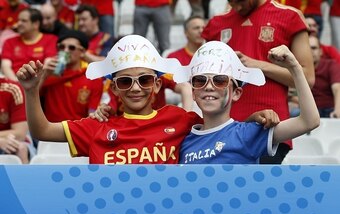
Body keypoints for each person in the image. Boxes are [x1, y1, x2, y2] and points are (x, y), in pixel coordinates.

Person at [16, 35, 277, 164]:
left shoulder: (181, 120)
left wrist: (252, 120)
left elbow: (220, 128)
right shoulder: (96, 127)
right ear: (115, 88)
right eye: (125, 82)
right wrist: (30, 90)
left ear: (157, 84)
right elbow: (42, 130)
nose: (135, 88)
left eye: (144, 80)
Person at [201, 0, 315, 164]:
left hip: (270, 127)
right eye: (231, 2)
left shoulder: (289, 16)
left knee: (258, 186)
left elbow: (307, 78)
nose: (236, 6)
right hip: (223, 129)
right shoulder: (216, 23)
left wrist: (257, 65)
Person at [176, 41, 320, 164]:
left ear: (237, 93)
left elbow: (309, 122)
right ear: (193, 92)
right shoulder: (182, 140)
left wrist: (294, 67)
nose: (208, 86)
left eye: (219, 81)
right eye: (200, 80)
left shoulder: (248, 133)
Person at [40, 29, 103, 122]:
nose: (65, 51)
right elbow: (31, 96)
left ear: (82, 52)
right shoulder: (50, 72)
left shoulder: (93, 77)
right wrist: (44, 74)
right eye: (61, 47)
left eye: (71, 48)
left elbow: (92, 114)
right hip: (49, 129)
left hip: (76, 131)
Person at [1, 8, 58, 81]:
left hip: (39, 84)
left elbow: (48, 66)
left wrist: (32, 85)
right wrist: (18, 84)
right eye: (18, 20)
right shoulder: (9, 41)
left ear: (36, 24)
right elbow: (5, 66)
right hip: (14, 84)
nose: (19, 23)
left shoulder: (50, 39)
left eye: (23, 21)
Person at [0, 75, 33, 164]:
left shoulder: (13, 89)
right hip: (2, 140)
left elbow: (20, 134)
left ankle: (23, 177)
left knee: (20, 149)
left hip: (11, 141)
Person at [309, 35, 340, 118]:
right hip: (308, 111)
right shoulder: (299, 68)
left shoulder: (331, 65)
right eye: (307, 48)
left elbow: (337, 88)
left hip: (329, 110)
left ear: (320, 51)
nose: (310, 51)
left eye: (314, 48)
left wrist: (337, 110)